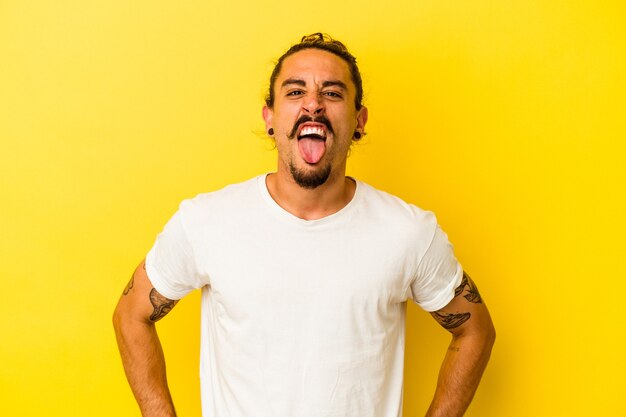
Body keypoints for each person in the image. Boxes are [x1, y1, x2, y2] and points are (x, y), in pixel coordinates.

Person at [113, 33, 495, 417]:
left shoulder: (408, 232)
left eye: (332, 93)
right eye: (295, 92)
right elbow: (131, 315)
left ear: (359, 121)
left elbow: (475, 330)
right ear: (270, 118)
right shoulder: (207, 220)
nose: (312, 104)